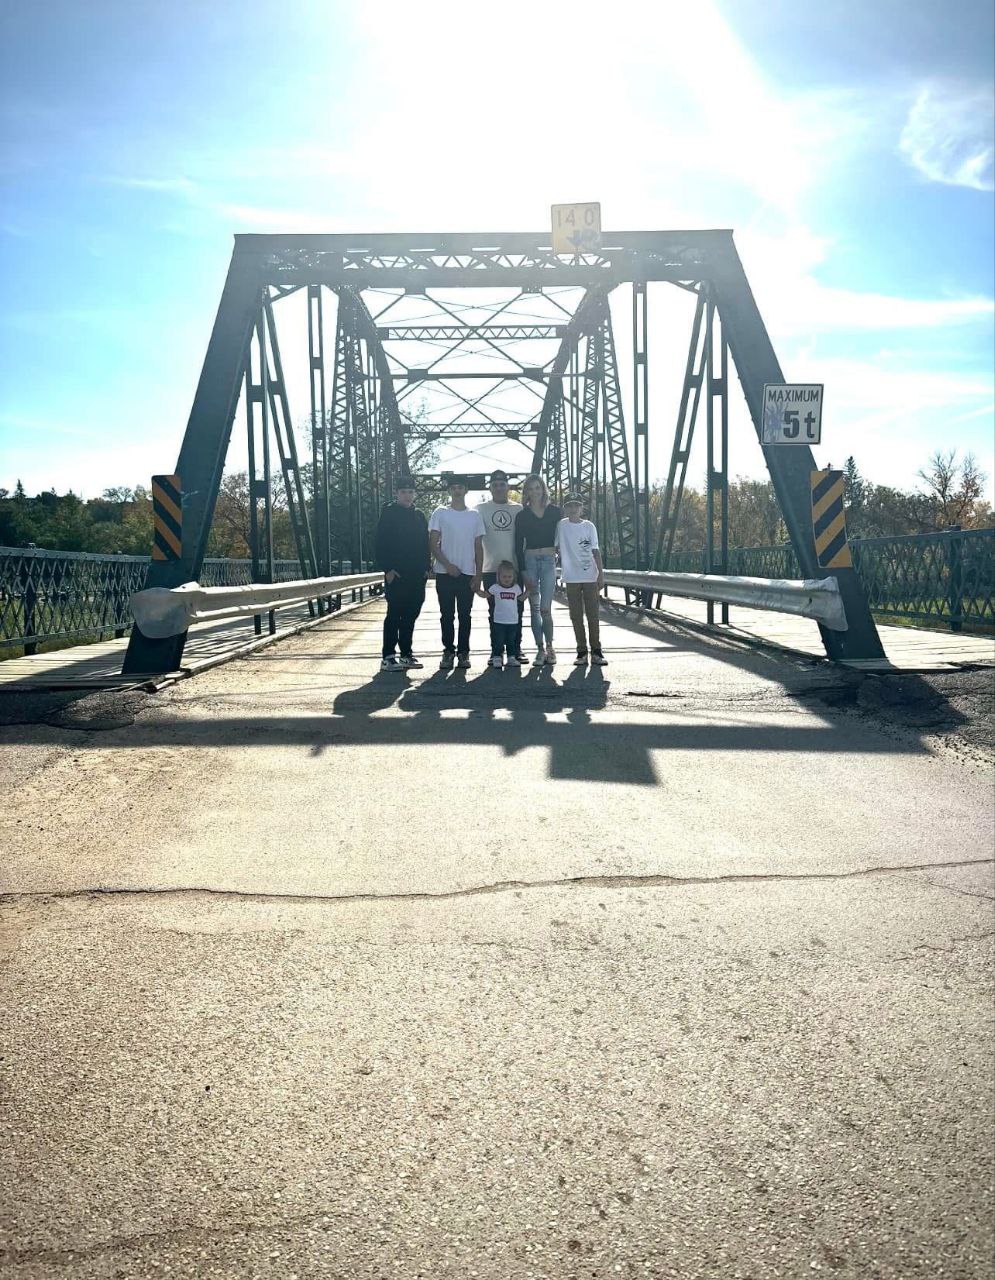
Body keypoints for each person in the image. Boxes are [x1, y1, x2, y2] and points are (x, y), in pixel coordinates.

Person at [428, 476, 485, 669]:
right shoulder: (440, 513)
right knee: (446, 614)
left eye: (460, 487)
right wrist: (447, 564)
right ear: (449, 491)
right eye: (453, 488)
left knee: (465, 615)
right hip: (444, 573)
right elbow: (433, 543)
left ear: (466, 490)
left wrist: (478, 575)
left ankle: (463, 652)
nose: (457, 491)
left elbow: (478, 547)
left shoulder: (474, 515)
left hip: (467, 573)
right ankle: (448, 651)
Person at [375, 476, 430, 672]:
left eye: (410, 492)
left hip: (416, 574)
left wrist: (426, 568)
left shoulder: (419, 516)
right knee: (394, 614)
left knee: (411, 614)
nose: (407, 495)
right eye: (403, 492)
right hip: (397, 574)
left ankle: (406, 654)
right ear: (397, 493)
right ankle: (388, 656)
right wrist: (387, 569)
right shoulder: (389, 513)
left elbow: (425, 544)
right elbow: (380, 542)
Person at [476, 469, 525, 663]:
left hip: (514, 569)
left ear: (507, 487)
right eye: (495, 485)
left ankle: (516, 650)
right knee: (494, 613)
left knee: (517, 611)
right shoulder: (480, 509)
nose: (498, 488)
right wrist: (476, 571)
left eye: (502, 484)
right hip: (490, 568)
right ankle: (496, 651)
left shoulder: (518, 509)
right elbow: (475, 539)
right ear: (490, 487)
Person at [515, 474, 562, 665]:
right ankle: (540, 650)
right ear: (526, 492)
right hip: (531, 561)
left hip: (549, 561)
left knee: (545, 609)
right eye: (530, 488)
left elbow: (564, 536)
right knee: (534, 609)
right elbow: (518, 546)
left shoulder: (555, 512)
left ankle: (550, 647)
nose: (534, 492)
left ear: (543, 489)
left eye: (537, 487)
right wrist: (524, 571)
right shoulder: (522, 515)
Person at [556, 493, 607, 666]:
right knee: (576, 616)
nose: (573, 509)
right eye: (569, 505)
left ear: (581, 508)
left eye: (576, 505)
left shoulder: (589, 526)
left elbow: (596, 551)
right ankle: (582, 651)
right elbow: (554, 547)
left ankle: (597, 651)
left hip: (590, 576)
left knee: (593, 615)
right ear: (565, 508)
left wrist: (601, 574)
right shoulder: (561, 526)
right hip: (571, 577)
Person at [487, 561, 524, 669]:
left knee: (511, 640)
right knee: (498, 640)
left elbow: (521, 598)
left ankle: (511, 657)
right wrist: (476, 590)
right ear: (498, 576)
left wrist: (529, 591)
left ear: (513, 577)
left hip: (512, 621)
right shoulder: (495, 587)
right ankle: (497, 657)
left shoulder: (516, 588)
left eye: (509, 576)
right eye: (504, 576)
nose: (507, 579)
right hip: (499, 621)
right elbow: (485, 594)